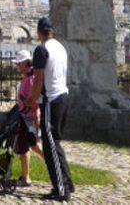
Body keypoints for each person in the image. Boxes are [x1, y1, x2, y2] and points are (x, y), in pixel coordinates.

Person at [29, 17, 74, 202]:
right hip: (63, 96)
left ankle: (61, 188)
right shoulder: (60, 47)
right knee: (55, 142)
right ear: (51, 31)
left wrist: (33, 100)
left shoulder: (42, 50)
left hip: (51, 100)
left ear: (39, 33)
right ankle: (67, 182)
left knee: (49, 146)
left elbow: (38, 79)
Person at [13, 48, 44, 187]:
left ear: (25, 63)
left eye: (19, 63)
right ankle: (26, 176)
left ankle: (26, 178)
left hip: (29, 118)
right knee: (32, 145)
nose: (17, 66)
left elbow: (34, 98)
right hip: (26, 117)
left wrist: (26, 103)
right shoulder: (28, 75)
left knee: (30, 146)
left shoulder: (31, 78)